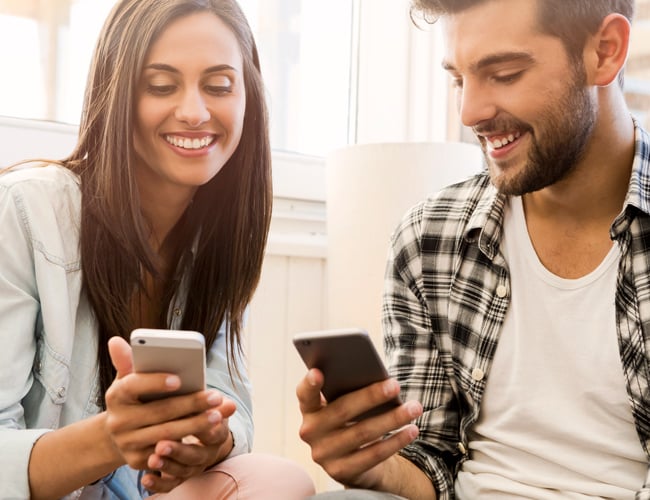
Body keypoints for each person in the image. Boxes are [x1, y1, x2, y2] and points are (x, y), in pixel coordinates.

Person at [297, 0, 650, 498]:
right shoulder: (428, 239)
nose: (470, 113)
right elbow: (430, 460)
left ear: (605, 51)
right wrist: (373, 467)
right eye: (458, 79)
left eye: (503, 73)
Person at [0, 0, 315, 498]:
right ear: (118, 93)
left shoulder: (217, 238)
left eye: (219, 86)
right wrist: (113, 437)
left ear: (248, 97)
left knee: (281, 479)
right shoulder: (25, 210)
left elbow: (235, 407)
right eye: (161, 85)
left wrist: (211, 440)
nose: (194, 112)